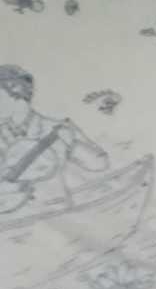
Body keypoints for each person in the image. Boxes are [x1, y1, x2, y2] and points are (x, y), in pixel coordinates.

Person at [0, 66, 112, 217]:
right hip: (9, 216)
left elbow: (100, 164)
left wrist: (72, 144)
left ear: (16, 90)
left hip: (57, 216)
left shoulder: (57, 127)